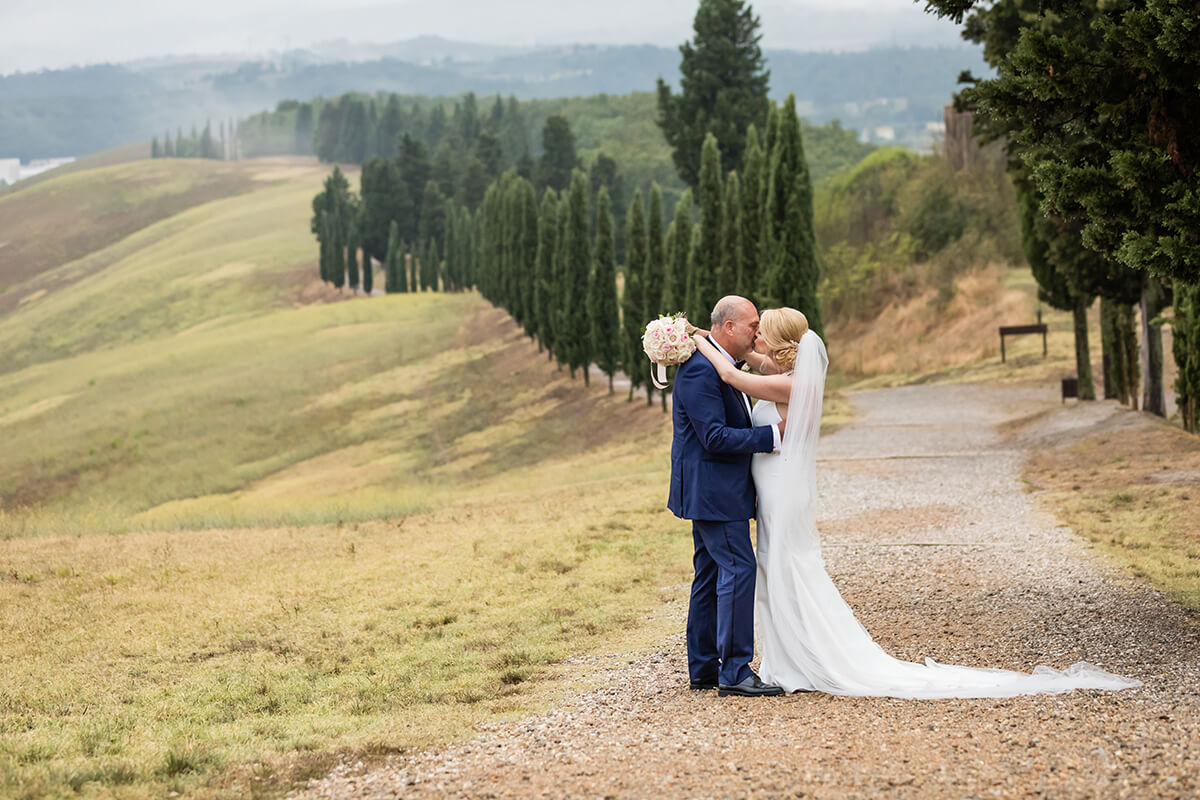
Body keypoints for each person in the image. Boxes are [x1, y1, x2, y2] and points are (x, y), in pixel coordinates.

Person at [691, 306, 1141, 698]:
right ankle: (788, 657)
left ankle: (806, 659)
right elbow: (746, 360)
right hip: (773, 488)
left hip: (783, 491)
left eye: (761, 330)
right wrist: (705, 339)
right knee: (774, 568)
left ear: (783, 345)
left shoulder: (792, 384)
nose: (755, 336)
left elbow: (731, 374)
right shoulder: (781, 374)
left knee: (787, 567)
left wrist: (696, 339)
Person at [669, 296, 784, 697]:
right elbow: (714, 437)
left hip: (711, 491)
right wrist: (773, 437)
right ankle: (734, 671)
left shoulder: (716, 362)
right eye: (752, 324)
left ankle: (703, 667)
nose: (757, 331)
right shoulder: (702, 370)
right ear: (729, 327)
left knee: (711, 574)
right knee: (738, 569)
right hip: (715, 492)